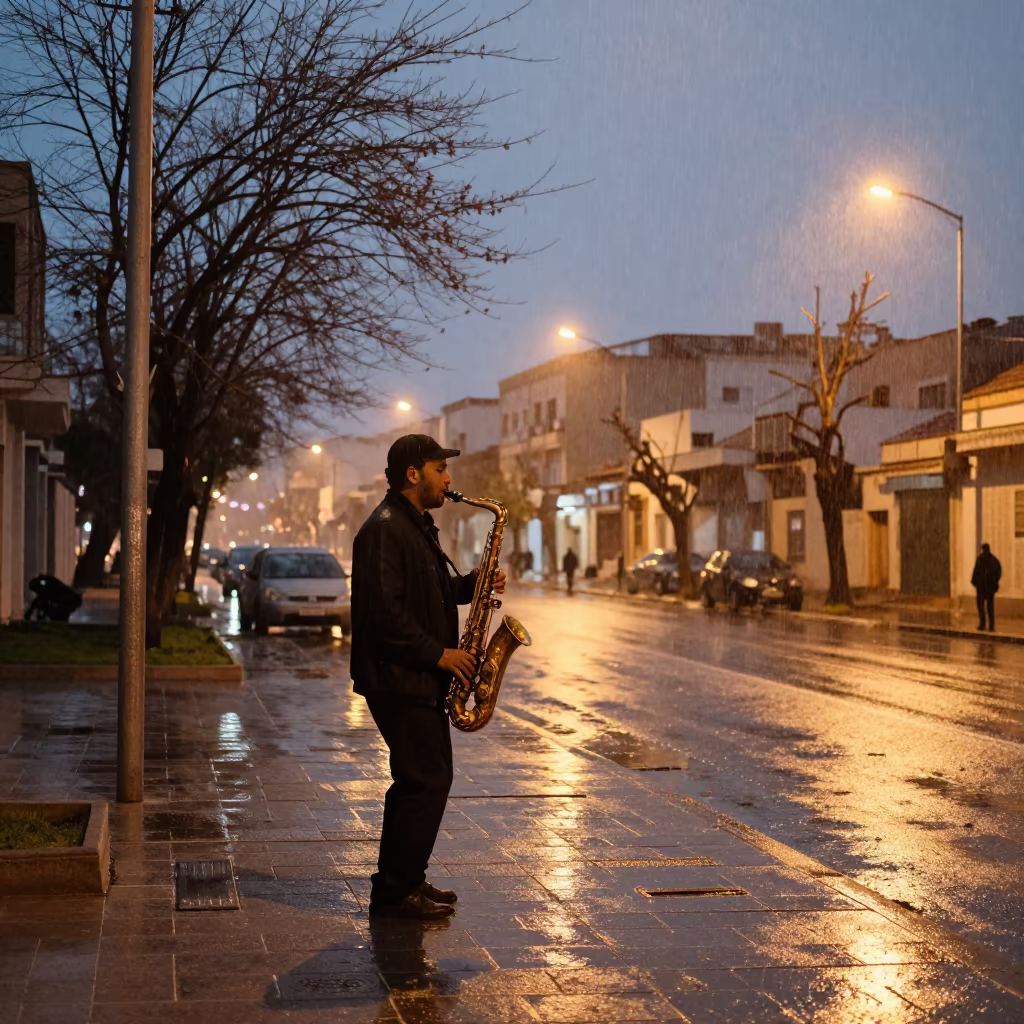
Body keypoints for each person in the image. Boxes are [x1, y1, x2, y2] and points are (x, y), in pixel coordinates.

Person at [350, 434, 506, 920]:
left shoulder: (414, 526)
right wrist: (439, 655)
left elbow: (427, 592)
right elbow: (383, 617)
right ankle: (396, 893)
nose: (448, 479)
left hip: (413, 677)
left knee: (419, 780)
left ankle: (404, 880)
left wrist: (472, 585)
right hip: (399, 678)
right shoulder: (384, 530)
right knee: (425, 780)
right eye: (440, 469)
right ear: (413, 473)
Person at [971, 541, 1001, 632]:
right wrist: (995, 582)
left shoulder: (984, 559)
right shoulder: (991, 560)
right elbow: (998, 572)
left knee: (985, 607)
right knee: (987, 607)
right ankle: (988, 625)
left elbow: (976, 571)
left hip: (984, 587)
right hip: (986, 587)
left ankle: (985, 624)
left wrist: (975, 582)